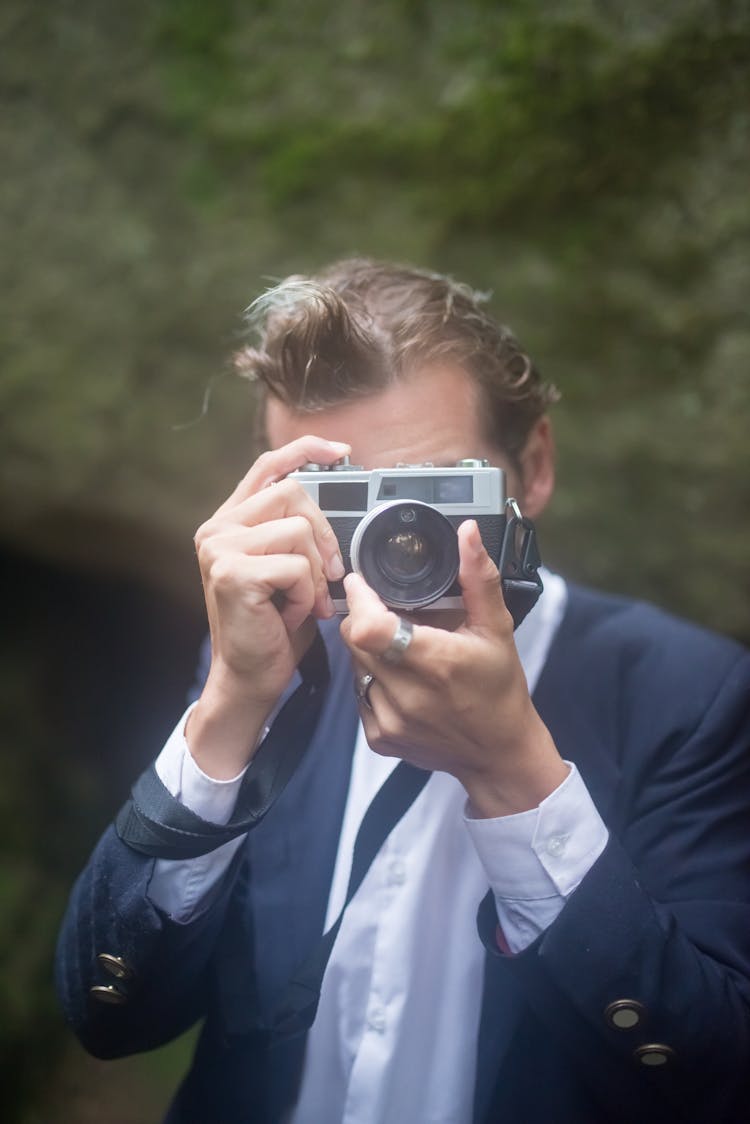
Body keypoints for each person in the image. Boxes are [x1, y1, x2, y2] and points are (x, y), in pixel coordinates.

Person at [56, 259, 750, 1124]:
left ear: (531, 468)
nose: (396, 536)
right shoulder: (266, 665)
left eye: (429, 492)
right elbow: (108, 1016)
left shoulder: (688, 696)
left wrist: (515, 778)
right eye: (343, 497)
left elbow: (716, 1076)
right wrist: (231, 706)